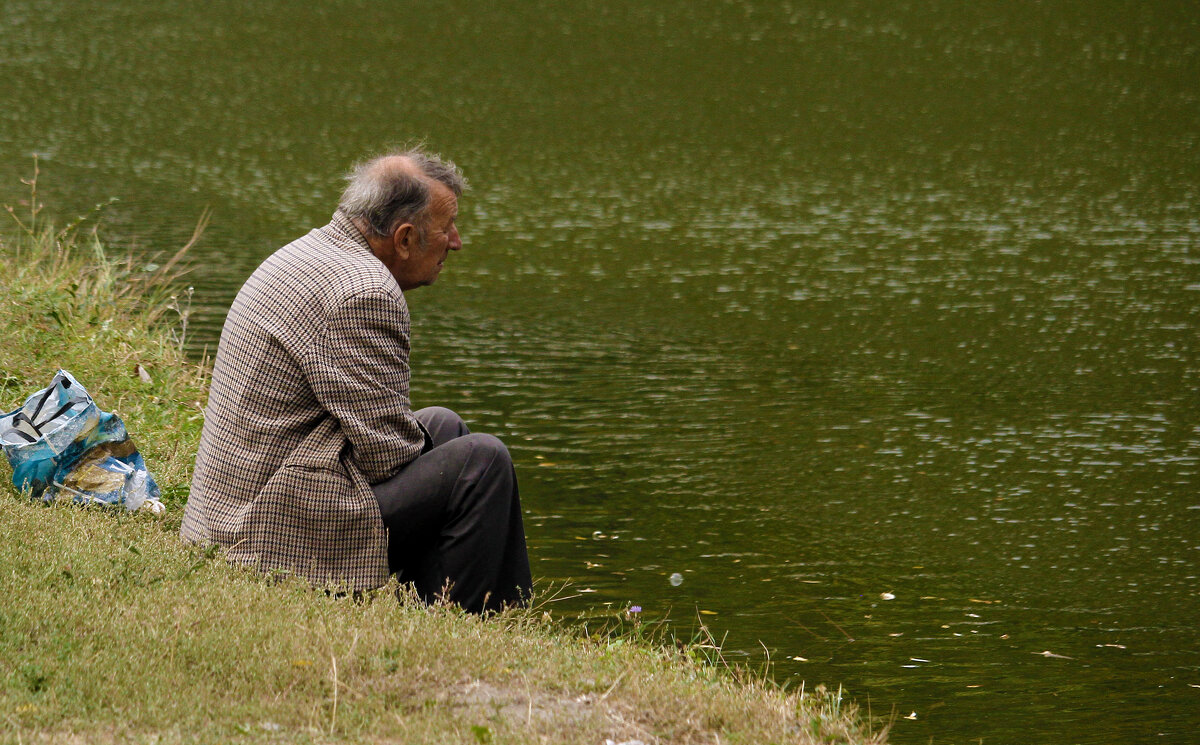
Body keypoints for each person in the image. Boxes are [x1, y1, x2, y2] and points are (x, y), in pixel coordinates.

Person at [181, 149, 532, 613]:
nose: (456, 241)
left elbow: (383, 441)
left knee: (444, 426)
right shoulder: (365, 292)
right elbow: (388, 457)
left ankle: (443, 607)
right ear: (405, 239)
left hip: (235, 508)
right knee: (483, 464)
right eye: (446, 228)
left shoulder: (313, 249)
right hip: (263, 531)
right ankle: (468, 622)